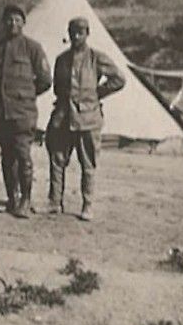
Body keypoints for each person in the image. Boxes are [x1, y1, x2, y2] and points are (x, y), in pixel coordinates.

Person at [45, 17, 125, 221]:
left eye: (81, 32)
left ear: (87, 34)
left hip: (88, 119)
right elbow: (57, 88)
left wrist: (97, 94)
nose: (76, 36)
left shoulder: (96, 58)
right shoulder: (61, 59)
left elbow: (119, 79)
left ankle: (87, 205)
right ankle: (55, 202)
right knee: (57, 159)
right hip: (63, 117)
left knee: (88, 163)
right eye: (73, 32)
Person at [0, 5, 51, 218]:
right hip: (0, 113)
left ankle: (25, 200)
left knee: (23, 155)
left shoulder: (32, 48)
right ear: (4, 23)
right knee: (7, 157)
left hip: (23, 113)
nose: (13, 24)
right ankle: (12, 198)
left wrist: (25, 94)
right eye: (9, 20)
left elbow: (46, 80)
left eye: (17, 20)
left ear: (23, 23)